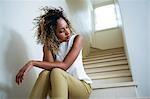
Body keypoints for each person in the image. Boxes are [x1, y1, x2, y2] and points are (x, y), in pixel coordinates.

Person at [16, 6, 92, 99]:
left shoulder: (77, 39)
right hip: (60, 89)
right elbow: (49, 70)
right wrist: (47, 45)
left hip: (81, 88)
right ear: (53, 34)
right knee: (45, 73)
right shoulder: (51, 47)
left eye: (67, 27)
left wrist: (32, 63)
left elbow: (64, 65)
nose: (67, 32)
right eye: (61, 31)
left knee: (57, 71)